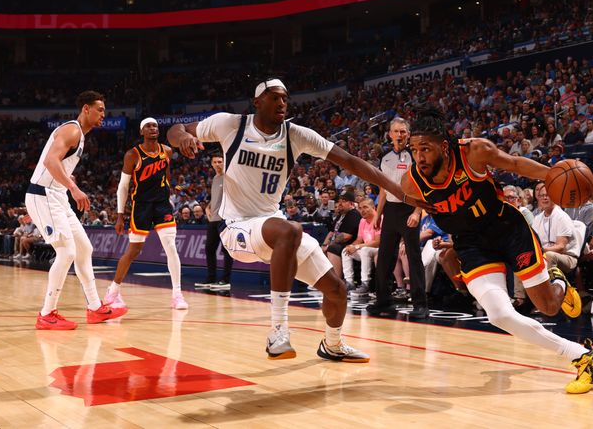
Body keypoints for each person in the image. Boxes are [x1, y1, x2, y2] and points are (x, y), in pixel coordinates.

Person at [167, 78, 425, 362]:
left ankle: (333, 344)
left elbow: (350, 161)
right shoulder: (231, 124)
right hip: (236, 226)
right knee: (290, 230)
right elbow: (175, 129)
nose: (281, 103)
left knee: (337, 290)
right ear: (257, 102)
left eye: (285, 98)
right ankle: (278, 331)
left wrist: (400, 192)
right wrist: (183, 139)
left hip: (273, 225)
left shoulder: (295, 135)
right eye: (274, 97)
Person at [401, 107, 593, 394]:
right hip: (471, 244)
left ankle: (558, 279)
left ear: (445, 146)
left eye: (425, 148)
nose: (419, 156)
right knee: (499, 315)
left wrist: (557, 176)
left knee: (548, 308)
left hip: (507, 228)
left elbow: (515, 164)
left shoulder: (474, 151)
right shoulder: (412, 180)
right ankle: (584, 356)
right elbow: (411, 199)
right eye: (413, 149)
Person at [26, 91, 127, 330]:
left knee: (84, 248)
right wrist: (73, 187)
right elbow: (51, 161)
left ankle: (95, 308)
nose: (104, 114)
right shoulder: (72, 130)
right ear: (86, 109)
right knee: (67, 252)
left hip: (56, 195)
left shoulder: (80, 135)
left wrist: (66, 180)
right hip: (43, 195)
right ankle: (47, 313)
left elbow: (55, 162)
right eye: (100, 110)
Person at [105, 118, 187, 311]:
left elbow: (166, 176)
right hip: (141, 206)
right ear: (141, 131)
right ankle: (113, 291)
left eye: (155, 126)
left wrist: (172, 191)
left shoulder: (167, 151)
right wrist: (119, 215)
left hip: (162, 206)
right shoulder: (132, 154)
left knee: (170, 247)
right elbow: (123, 187)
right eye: (148, 126)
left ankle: (177, 294)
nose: (153, 129)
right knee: (134, 251)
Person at [369, 117, 428, 319]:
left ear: (408, 134)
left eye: (403, 131)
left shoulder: (416, 155)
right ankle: (383, 301)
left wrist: (417, 212)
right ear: (390, 134)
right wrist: (378, 213)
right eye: (396, 131)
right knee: (385, 257)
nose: (400, 135)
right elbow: (383, 189)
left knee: (413, 256)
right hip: (391, 212)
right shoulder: (385, 158)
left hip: (410, 208)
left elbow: (423, 187)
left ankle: (420, 304)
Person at [196, 153, 233, 289]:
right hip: (214, 219)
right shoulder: (215, 179)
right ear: (211, 164)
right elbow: (215, 198)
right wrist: (208, 208)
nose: (218, 164)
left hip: (226, 219)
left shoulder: (229, 177)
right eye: (215, 162)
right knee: (209, 249)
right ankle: (211, 278)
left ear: (224, 162)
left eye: (220, 161)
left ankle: (225, 280)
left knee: (226, 250)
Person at [342, 198, 381, 295]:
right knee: (345, 251)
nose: (362, 210)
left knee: (364, 250)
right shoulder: (362, 221)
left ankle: (365, 283)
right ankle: (349, 282)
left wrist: (357, 247)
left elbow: (377, 242)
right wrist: (352, 246)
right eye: (360, 208)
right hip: (365, 249)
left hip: (378, 249)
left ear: (373, 207)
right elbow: (359, 239)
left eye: (365, 207)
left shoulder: (379, 218)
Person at [322, 191, 360, 281]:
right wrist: (324, 244)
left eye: (343, 201)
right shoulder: (341, 215)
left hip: (349, 244)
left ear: (351, 203)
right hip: (337, 242)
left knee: (332, 248)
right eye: (340, 201)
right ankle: (324, 280)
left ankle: (336, 281)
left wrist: (330, 243)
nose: (340, 203)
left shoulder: (353, 214)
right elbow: (331, 232)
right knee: (321, 248)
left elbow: (347, 236)